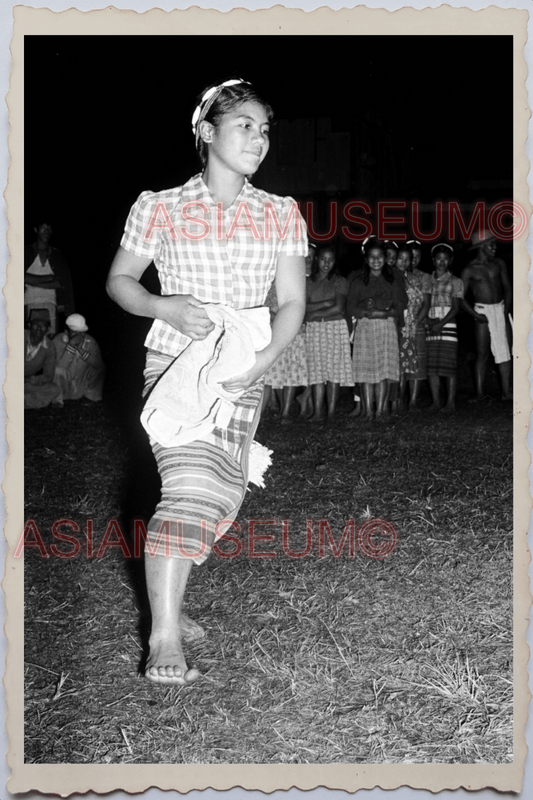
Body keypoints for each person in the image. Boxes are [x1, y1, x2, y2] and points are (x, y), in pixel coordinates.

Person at [106, 78, 307, 686]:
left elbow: (293, 302)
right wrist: (164, 307)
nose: (259, 138)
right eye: (245, 124)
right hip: (175, 365)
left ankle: (172, 602)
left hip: (245, 364)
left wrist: (264, 359)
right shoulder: (159, 205)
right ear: (207, 131)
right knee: (188, 487)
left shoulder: (280, 211)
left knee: (221, 494)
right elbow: (121, 281)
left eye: (265, 129)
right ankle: (163, 634)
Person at [347, 239, 407, 420]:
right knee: (366, 371)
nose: (376, 260)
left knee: (382, 370)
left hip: (385, 326)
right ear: (366, 259)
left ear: (385, 258)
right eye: (372, 257)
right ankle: (367, 410)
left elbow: (401, 303)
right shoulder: (358, 281)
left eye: (379, 256)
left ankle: (380, 410)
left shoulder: (392, 280)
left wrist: (383, 312)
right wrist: (364, 310)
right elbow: (350, 307)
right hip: (365, 327)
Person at [264, 243, 314, 422]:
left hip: (295, 331)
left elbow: (303, 306)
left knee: (292, 373)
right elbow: (265, 307)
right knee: (273, 372)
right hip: (272, 331)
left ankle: (285, 411)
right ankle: (269, 407)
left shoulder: (303, 281)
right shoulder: (270, 282)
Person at [460, 230, 512, 401]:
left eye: (495, 244)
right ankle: (479, 393)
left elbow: (507, 288)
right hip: (482, 311)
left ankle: (506, 392)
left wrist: (505, 311)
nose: (494, 247)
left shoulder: (499, 264)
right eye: (491, 244)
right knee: (482, 353)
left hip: (500, 308)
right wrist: (476, 314)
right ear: (481, 246)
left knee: (505, 351)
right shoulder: (470, 270)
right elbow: (459, 298)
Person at [304, 244, 353, 421]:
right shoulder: (309, 282)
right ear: (317, 259)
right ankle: (318, 412)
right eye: (323, 259)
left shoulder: (340, 281)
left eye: (330, 260)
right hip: (315, 330)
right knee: (316, 371)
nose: (326, 263)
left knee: (334, 371)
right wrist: (326, 304)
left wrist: (315, 312)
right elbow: (303, 307)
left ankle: (331, 412)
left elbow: (339, 308)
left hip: (335, 328)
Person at [426, 243, 464, 412]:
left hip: (448, 324)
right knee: (432, 365)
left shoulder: (456, 281)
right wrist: (428, 320)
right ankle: (435, 401)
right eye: (439, 259)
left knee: (448, 365)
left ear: (450, 261)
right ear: (433, 260)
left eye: (445, 259)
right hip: (430, 323)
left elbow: (456, 307)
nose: (442, 262)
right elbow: (422, 303)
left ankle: (450, 402)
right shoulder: (426, 279)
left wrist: (440, 324)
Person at [396, 244, 431, 411]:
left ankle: (413, 401)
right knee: (400, 365)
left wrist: (414, 322)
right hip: (398, 326)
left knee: (417, 362)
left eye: (409, 259)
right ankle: (398, 399)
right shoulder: (391, 277)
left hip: (415, 324)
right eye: (401, 258)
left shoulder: (418, 278)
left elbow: (426, 303)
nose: (407, 261)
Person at [24, 222, 75, 335]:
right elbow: (18, 277)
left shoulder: (57, 255)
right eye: (43, 227)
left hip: (51, 303)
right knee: (29, 340)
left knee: (50, 341)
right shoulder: (25, 252)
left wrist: (32, 281)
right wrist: (49, 278)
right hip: (28, 303)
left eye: (49, 228)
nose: (46, 231)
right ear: (36, 229)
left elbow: (61, 282)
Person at [53, 314, 105, 404]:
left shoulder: (90, 341)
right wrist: (71, 346)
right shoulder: (58, 340)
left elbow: (99, 365)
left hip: (81, 385)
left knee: (100, 368)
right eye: (74, 332)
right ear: (66, 332)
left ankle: (90, 397)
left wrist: (82, 352)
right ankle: (57, 400)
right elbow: (59, 367)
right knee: (56, 370)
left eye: (81, 332)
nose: (79, 335)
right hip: (64, 387)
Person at [24, 309, 61, 408]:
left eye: (43, 325)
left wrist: (31, 379)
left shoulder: (50, 347)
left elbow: (48, 376)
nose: (39, 328)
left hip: (25, 382)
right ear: (29, 325)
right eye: (36, 324)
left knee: (54, 389)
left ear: (48, 328)